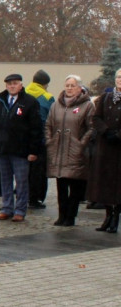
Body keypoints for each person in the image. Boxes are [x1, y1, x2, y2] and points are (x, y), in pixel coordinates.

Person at [0, 73, 42, 222]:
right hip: (2, 149)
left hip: (21, 151)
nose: (12, 86)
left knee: (21, 182)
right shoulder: (0, 102)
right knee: (5, 181)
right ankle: (6, 208)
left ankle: (20, 210)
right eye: (10, 83)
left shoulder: (29, 102)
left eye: (15, 83)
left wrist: (33, 150)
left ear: (21, 85)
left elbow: (36, 128)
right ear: (6, 86)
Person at [45, 75, 95, 226]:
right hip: (58, 150)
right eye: (67, 85)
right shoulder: (56, 105)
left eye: (73, 85)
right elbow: (48, 125)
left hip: (76, 151)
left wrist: (81, 143)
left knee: (75, 187)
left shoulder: (87, 105)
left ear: (79, 88)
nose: (69, 88)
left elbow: (92, 127)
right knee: (61, 186)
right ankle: (61, 215)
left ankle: (70, 216)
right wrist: (49, 141)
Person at [88, 68, 121, 233]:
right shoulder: (106, 97)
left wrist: (118, 134)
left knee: (118, 185)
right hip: (105, 146)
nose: (120, 80)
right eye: (118, 77)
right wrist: (105, 131)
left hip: (119, 148)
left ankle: (116, 217)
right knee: (105, 184)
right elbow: (96, 117)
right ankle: (107, 216)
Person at [26, 69, 54, 209]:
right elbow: (52, 118)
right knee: (39, 171)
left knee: (23, 170)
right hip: (40, 139)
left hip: (22, 139)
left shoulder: (22, 93)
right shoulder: (47, 98)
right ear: (45, 84)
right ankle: (35, 198)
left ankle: (22, 196)